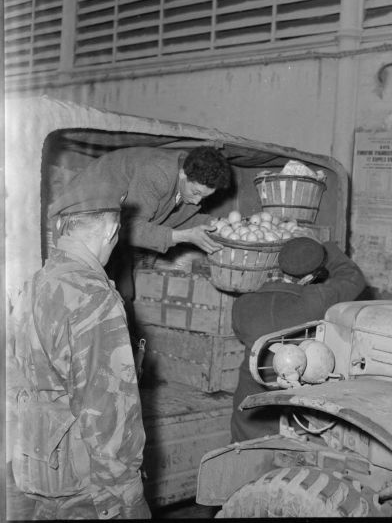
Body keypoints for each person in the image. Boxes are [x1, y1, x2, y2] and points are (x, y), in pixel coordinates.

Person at [7, 181, 151, 520]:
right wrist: (127, 493)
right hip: (87, 481)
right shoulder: (93, 297)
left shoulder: (35, 285)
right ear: (112, 229)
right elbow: (108, 408)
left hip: (40, 463)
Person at [49, 145, 232, 327]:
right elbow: (132, 227)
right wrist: (183, 236)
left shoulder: (186, 183)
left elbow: (168, 217)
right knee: (83, 297)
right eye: (196, 192)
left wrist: (219, 225)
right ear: (183, 173)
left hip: (111, 228)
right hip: (79, 219)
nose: (198, 200)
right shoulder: (157, 173)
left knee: (123, 295)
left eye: (205, 196)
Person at [230, 237, 366, 442]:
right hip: (293, 406)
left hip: (250, 405)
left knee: (244, 458)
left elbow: (241, 334)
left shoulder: (242, 303)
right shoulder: (316, 299)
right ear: (310, 276)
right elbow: (353, 277)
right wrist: (325, 248)